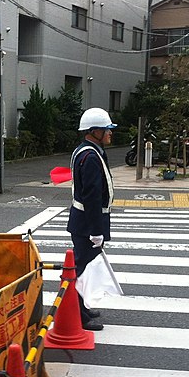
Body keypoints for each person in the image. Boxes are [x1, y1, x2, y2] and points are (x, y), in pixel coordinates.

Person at [67, 107, 116, 331]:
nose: (109, 133)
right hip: (87, 223)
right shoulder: (90, 156)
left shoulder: (87, 151)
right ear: (93, 130)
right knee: (81, 268)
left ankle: (82, 307)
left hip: (85, 222)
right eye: (106, 129)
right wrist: (96, 230)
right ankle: (78, 314)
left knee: (84, 267)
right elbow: (92, 196)